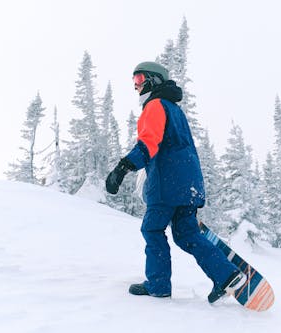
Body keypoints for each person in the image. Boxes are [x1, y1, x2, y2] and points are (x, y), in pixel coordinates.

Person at [105, 61, 245, 303]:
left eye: (139, 80)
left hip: (167, 185)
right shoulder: (174, 110)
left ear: (153, 80)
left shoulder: (156, 105)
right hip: (187, 184)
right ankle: (227, 275)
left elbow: (149, 142)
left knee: (152, 228)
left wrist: (123, 167)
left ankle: (158, 285)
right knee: (186, 234)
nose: (136, 87)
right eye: (134, 82)